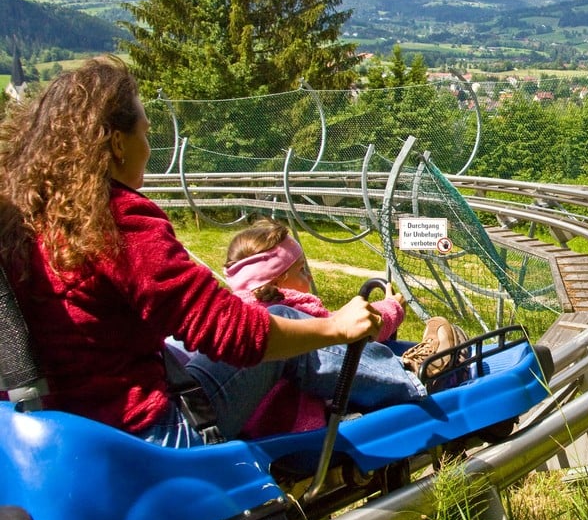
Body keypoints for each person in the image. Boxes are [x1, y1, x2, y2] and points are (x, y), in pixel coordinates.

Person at [0, 55, 454, 448]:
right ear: (116, 143)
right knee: (293, 323)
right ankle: (419, 379)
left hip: (60, 436)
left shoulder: (30, 223)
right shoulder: (118, 222)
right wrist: (335, 327)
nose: (150, 144)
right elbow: (232, 333)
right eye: (143, 130)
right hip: (150, 437)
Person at [220, 218, 467, 437]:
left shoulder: (241, 311)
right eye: (301, 270)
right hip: (297, 424)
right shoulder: (284, 311)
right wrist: (392, 308)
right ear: (277, 281)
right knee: (330, 341)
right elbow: (346, 332)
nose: (309, 276)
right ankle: (417, 375)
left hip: (258, 423)